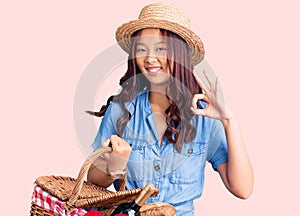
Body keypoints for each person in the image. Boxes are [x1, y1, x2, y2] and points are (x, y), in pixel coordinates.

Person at [87, 3, 254, 215]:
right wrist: (114, 165)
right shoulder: (121, 110)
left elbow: (242, 189)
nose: (149, 58)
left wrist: (229, 120)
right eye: (141, 49)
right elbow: (92, 181)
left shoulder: (203, 117)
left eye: (160, 49)